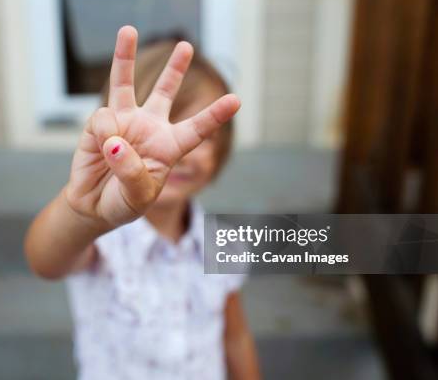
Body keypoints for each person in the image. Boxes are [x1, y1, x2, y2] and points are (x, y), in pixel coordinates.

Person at [25, 25, 261, 379]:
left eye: (199, 137)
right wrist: (80, 211)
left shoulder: (223, 244)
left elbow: (235, 338)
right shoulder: (97, 238)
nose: (176, 153)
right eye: (156, 131)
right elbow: (44, 259)